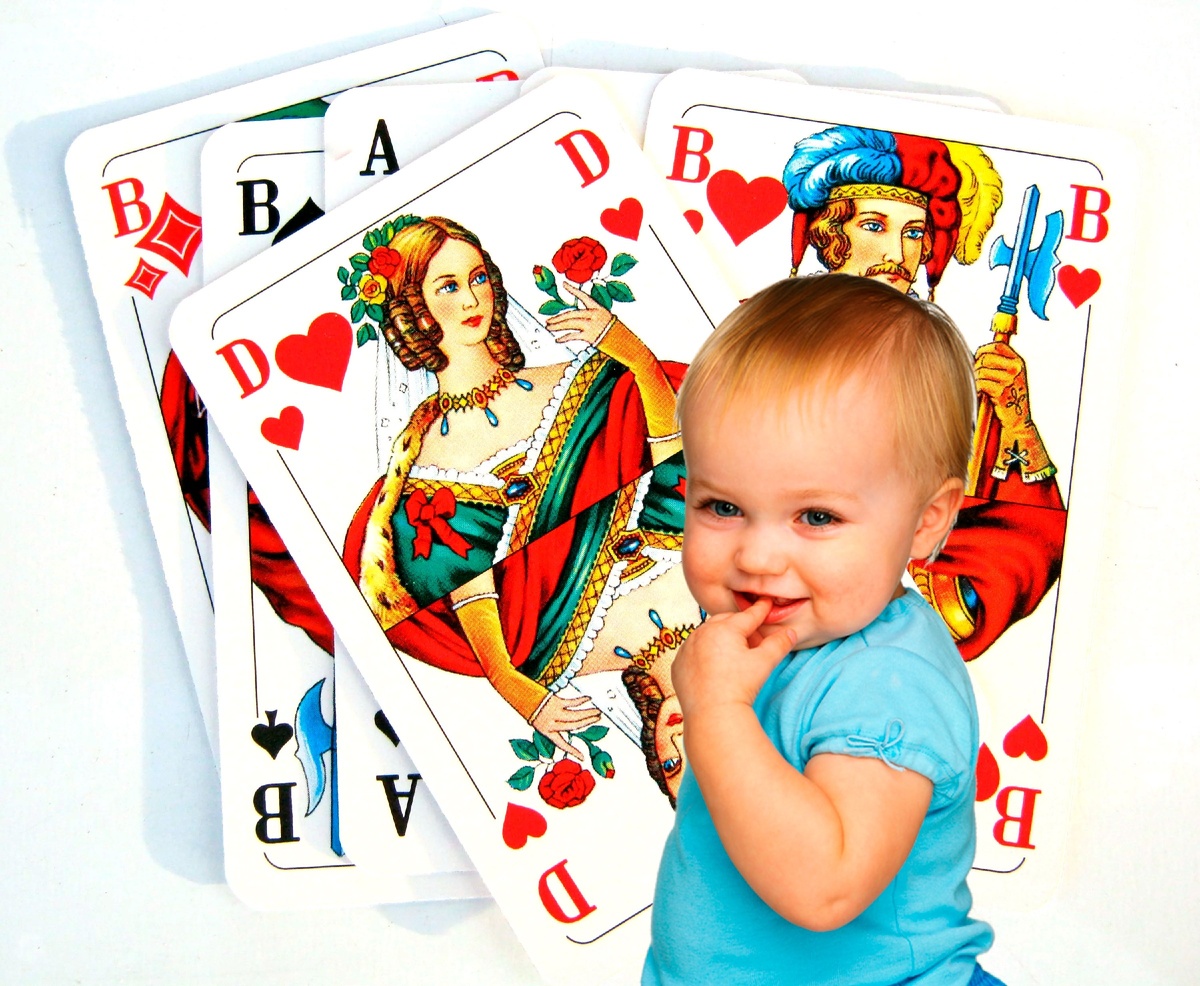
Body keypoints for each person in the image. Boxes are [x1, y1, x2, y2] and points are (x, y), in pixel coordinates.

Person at [644, 274, 1005, 985]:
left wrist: (717, 710)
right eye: (722, 507)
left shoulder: (888, 683)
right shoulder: (783, 631)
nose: (756, 556)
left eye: (816, 517)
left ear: (926, 521)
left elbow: (825, 888)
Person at [342, 215, 686, 753]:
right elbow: (473, 590)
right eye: (448, 287)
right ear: (414, 311)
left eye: (478, 278)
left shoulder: (587, 383)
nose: (471, 298)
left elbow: (674, 471)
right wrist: (510, 683)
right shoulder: (421, 482)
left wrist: (633, 355)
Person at [783, 126, 1065, 660]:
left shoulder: (945, 371)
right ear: (831, 236)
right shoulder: (772, 340)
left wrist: (1015, 421)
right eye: (875, 226)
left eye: (914, 233)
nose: (898, 252)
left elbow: (1021, 539)